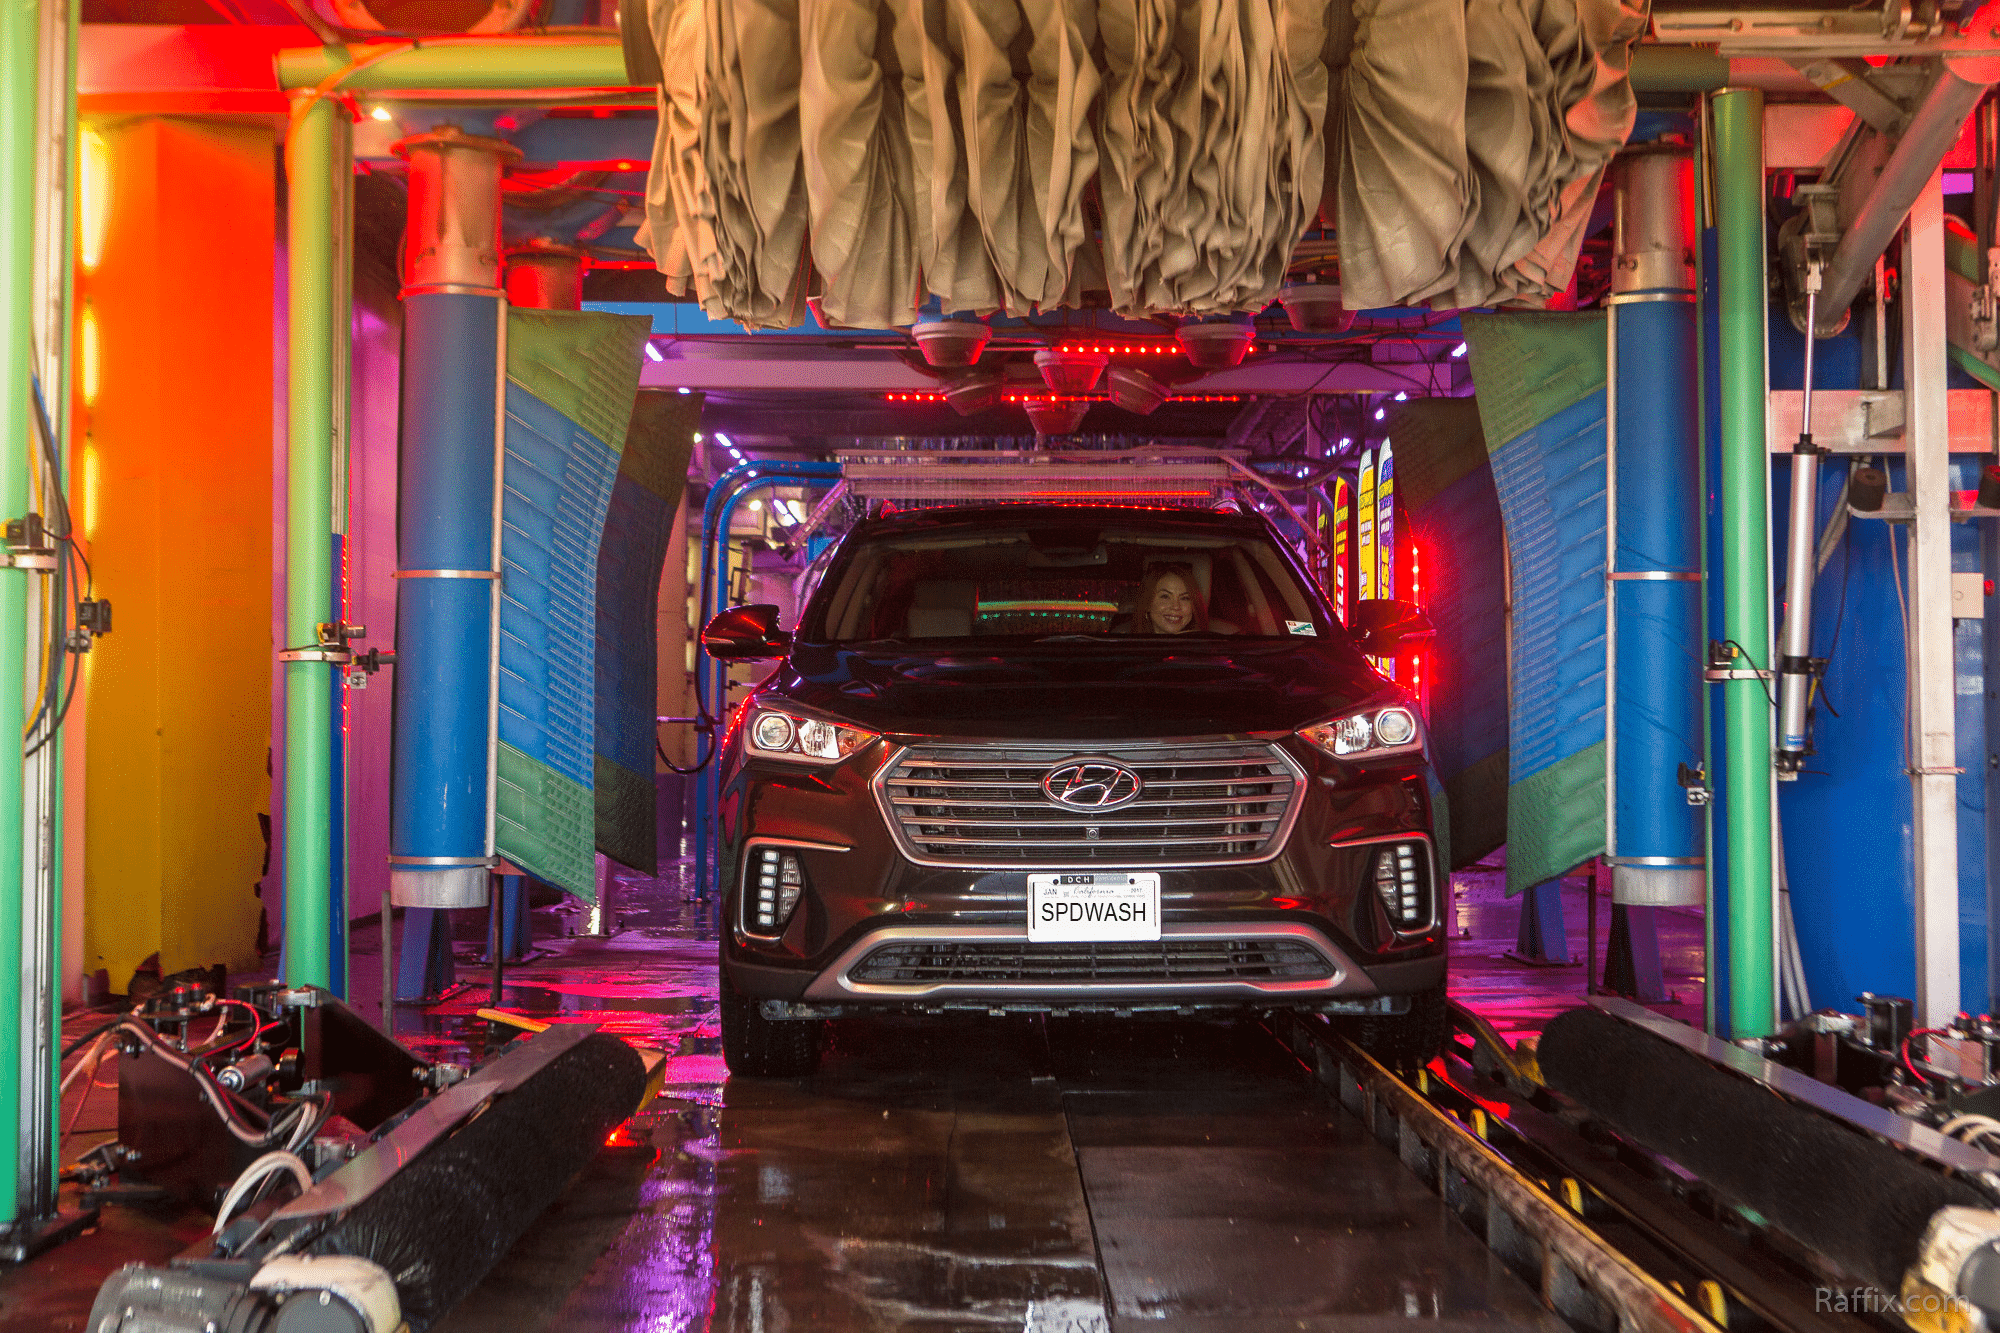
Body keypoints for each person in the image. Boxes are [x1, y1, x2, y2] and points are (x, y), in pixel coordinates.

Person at [1131, 562, 1208, 634]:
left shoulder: (1210, 645)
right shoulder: (1127, 645)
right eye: (1165, 596)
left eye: (1184, 598)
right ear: (1147, 604)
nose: (1176, 606)